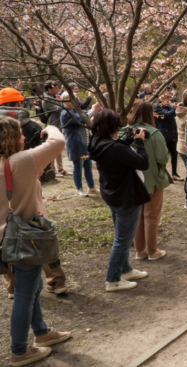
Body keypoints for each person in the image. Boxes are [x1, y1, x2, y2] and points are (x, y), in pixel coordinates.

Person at [0, 116, 72, 366]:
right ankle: (19, 350)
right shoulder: (23, 160)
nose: (23, 137)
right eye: (20, 133)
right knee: (24, 293)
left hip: (4, 239)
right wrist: (48, 127)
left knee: (31, 288)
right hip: (26, 238)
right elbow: (59, 141)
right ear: (10, 137)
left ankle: (42, 332)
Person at [0, 88, 69, 299]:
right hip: (30, 206)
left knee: (9, 248)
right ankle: (55, 281)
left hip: (4, 222)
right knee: (41, 238)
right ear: (19, 103)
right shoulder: (29, 131)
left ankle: (12, 286)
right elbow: (54, 144)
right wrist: (50, 126)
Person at [88, 109, 151, 292]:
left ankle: (125, 270)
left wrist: (129, 140)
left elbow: (116, 150)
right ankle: (113, 280)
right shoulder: (115, 147)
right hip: (126, 197)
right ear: (112, 126)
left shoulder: (96, 142)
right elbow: (142, 163)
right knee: (123, 239)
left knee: (121, 236)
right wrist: (139, 142)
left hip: (111, 194)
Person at [119, 101, 171, 261]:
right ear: (150, 114)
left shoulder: (123, 132)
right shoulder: (155, 133)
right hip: (152, 180)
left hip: (131, 181)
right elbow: (162, 158)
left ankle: (140, 250)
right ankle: (152, 251)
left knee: (138, 216)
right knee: (151, 216)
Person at [59, 92, 100, 197]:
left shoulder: (73, 111)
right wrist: (94, 109)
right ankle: (79, 189)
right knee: (78, 166)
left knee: (88, 165)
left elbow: (84, 112)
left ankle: (91, 187)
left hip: (84, 145)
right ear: (67, 101)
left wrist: (94, 109)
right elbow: (82, 117)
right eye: (74, 99)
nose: (76, 101)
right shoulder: (66, 113)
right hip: (76, 146)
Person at [41, 80, 67, 177]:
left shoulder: (54, 97)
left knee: (59, 147)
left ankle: (60, 168)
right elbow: (59, 108)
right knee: (52, 148)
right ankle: (52, 169)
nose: (58, 90)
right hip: (52, 125)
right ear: (49, 89)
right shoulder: (46, 99)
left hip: (58, 124)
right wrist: (66, 104)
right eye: (56, 88)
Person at [154, 92, 180, 181]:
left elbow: (173, 113)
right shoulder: (156, 107)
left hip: (172, 133)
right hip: (163, 134)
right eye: (165, 96)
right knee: (164, 155)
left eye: (168, 97)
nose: (167, 98)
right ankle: (162, 174)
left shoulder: (168, 106)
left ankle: (174, 173)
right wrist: (175, 107)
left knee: (174, 154)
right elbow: (167, 115)